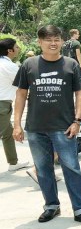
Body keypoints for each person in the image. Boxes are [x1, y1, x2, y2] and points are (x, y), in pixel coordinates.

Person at [12, 25, 81, 226]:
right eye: (48, 39)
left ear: (61, 41)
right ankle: (51, 205)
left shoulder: (70, 64)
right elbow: (21, 94)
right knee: (43, 169)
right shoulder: (29, 64)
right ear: (40, 42)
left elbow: (79, 94)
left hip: (64, 127)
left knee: (72, 168)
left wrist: (77, 121)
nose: (53, 43)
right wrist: (17, 125)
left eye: (56, 39)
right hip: (36, 127)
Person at [0, 38, 31, 171]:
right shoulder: (10, 66)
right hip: (2, 105)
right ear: (10, 50)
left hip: (3, 104)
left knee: (8, 133)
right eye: (16, 47)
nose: (18, 49)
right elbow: (23, 83)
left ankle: (13, 163)